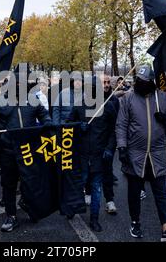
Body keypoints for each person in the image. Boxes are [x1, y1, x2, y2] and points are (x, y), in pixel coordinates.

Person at [116, 65, 166, 242]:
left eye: (144, 81)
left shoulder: (163, 98)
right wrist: (122, 147)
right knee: (134, 192)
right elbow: (121, 124)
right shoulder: (128, 98)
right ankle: (135, 222)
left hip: (157, 154)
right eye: (138, 80)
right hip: (134, 154)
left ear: (151, 82)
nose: (141, 83)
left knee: (160, 192)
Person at [0, 67, 52, 232]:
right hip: (8, 151)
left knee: (30, 181)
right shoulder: (1, 102)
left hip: (29, 150)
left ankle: (29, 205)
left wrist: (48, 123)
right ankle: (11, 215)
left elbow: (44, 116)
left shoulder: (32, 100)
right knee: (9, 184)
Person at [68, 76, 117, 232]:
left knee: (96, 188)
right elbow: (67, 125)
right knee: (78, 184)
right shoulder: (79, 106)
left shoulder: (108, 107)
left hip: (99, 155)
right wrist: (77, 126)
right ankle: (72, 207)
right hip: (81, 155)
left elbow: (113, 131)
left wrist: (109, 148)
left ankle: (94, 219)